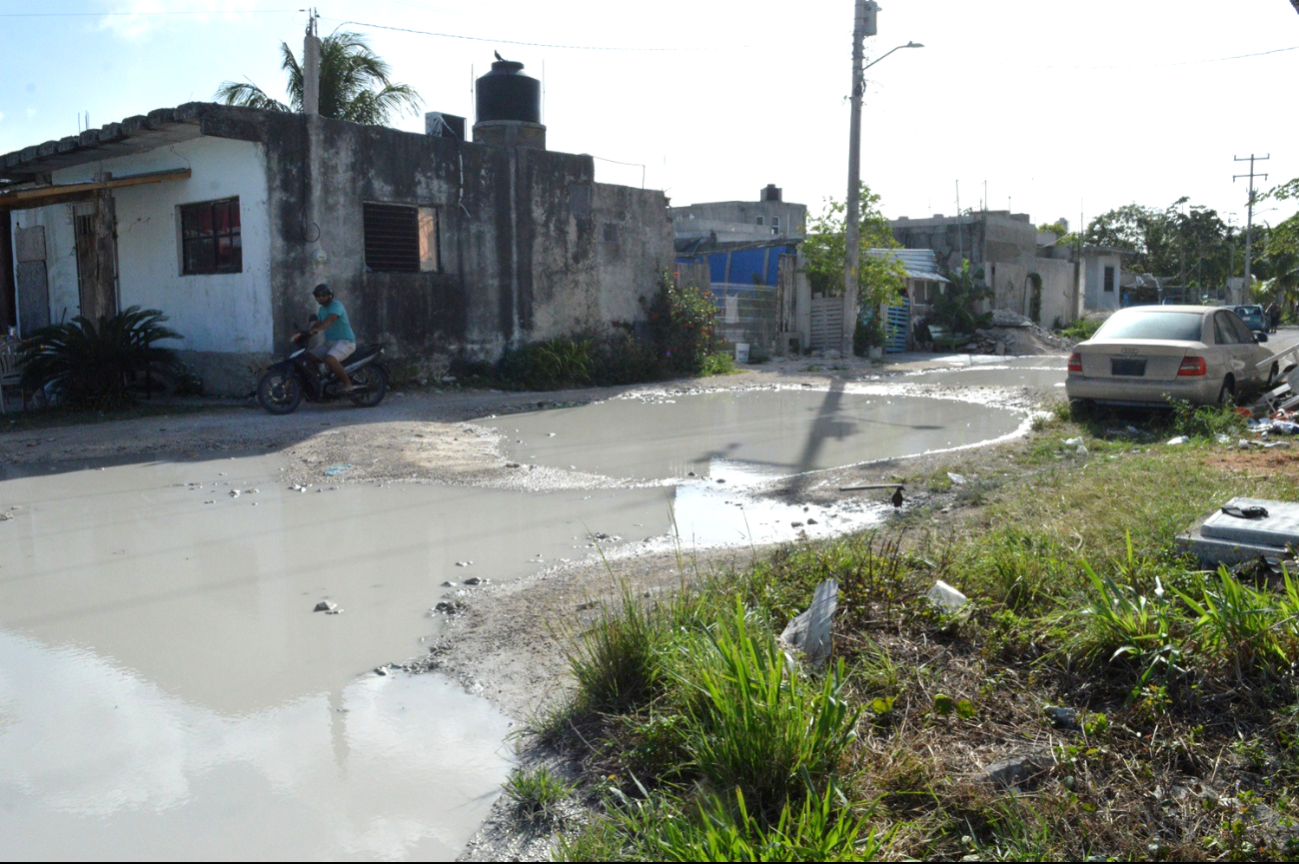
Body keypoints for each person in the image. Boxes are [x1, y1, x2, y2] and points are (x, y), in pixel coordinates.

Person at [307, 284, 356, 391]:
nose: (320, 297)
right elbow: (318, 323)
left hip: (346, 342)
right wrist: (306, 333)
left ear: (330, 295)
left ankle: (348, 384)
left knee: (330, 359)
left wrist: (317, 329)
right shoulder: (321, 310)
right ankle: (321, 381)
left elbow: (329, 321)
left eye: (323, 295)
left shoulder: (336, 305)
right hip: (330, 343)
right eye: (318, 295)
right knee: (309, 357)